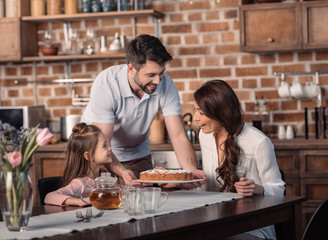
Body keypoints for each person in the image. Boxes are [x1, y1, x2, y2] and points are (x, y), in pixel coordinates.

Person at [81, 34, 205, 184]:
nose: (158, 81)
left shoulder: (167, 84)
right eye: (151, 75)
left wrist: (190, 172)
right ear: (131, 68)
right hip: (99, 153)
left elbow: (178, 136)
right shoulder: (106, 84)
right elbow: (103, 144)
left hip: (137, 153)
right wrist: (122, 172)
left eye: (161, 73)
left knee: (145, 201)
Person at [193, 80, 285, 240]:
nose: (195, 118)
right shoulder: (204, 136)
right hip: (215, 222)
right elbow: (208, 187)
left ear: (220, 112)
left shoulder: (259, 142)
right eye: (195, 111)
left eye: (201, 112)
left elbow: (279, 190)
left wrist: (258, 189)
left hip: (253, 228)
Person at [45, 123, 120, 206]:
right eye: (104, 146)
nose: (110, 148)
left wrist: (132, 186)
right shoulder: (80, 184)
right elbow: (49, 197)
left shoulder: (104, 176)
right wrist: (81, 201)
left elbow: (118, 190)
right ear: (88, 156)